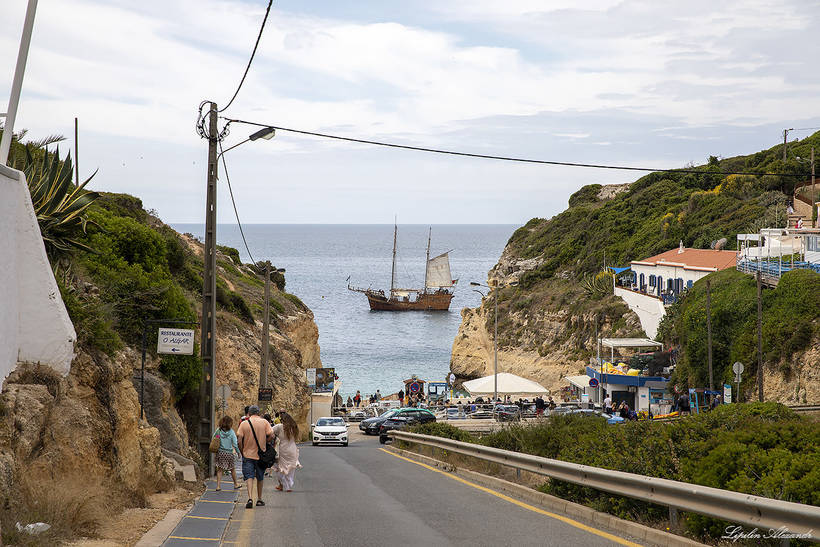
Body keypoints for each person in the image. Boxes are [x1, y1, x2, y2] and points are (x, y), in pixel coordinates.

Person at [236, 405, 273, 509]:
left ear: (249, 413)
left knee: (249, 477)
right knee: (260, 477)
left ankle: (250, 498)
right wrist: (265, 442)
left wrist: (242, 451)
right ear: (258, 413)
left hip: (247, 454)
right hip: (261, 455)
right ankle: (259, 499)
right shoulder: (264, 422)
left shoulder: (244, 423)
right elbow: (271, 435)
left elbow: (239, 440)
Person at [273, 412, 302, 492]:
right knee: (291, 469)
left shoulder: (279, 427)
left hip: (283, 449)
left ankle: (282, 484)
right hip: (292, 449)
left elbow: (270, 431)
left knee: (281, 467)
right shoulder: (294, 427)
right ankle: (288, 486)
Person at [213, 415, 241, 491]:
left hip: (220, 452)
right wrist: (238, 452)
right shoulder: (231, 432)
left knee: (220, 469)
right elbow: (235, 444)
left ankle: (218, 486)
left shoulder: (218, 430)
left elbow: (214, 439)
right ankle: (236, 484)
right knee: (232, 469)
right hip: (229, 453)